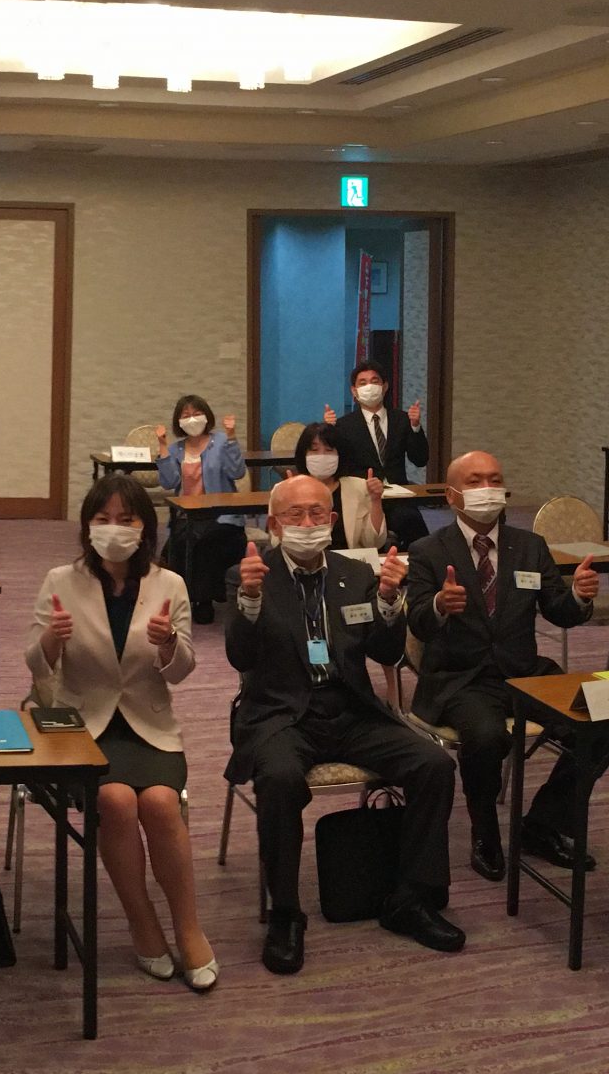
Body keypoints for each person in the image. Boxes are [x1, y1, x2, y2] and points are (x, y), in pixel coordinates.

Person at [226, 474, 461, 973]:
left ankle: (411, 898)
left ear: (332, 520)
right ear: (274, 524)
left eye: (317, 513)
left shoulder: (354, 574)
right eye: (295, 514)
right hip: (280, 714)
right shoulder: (251, 574)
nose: (308, 522)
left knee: (434, 764)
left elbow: (387, 652)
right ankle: (286, 913)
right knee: (279, 779)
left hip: (350, 709)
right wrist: (249, 600)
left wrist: (388, 603)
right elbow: (239, 657)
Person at [26, 475, 214, 990]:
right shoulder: (60, 580)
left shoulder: (169, 584)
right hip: (81, 726)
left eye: (126, 519)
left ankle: (189, 927)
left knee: (160, 802)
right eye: (102, 518)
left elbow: (181, 671)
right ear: (87, 526)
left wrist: (168, 643)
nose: (114, 528)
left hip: (150, 725)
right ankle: (142, 921)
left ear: (144, 528)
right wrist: (52, 639)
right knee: (115, 799)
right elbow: (37, 668)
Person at [402, 450, 602, 882]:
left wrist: (579, 596)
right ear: (452, 495)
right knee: (487, 736)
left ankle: (543, 824)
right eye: (475, 481)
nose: (487, 489)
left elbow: (559, 610)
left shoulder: (530, 546)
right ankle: (485, 832)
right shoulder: (427, 551)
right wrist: (438, 605)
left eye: (495, 479)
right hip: (461, 677)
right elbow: (417, 622)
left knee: (601, 720)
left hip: (524, 670)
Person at [155, 393, 247, 625]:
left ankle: (203, 600)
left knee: (204, 541)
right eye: (186, 415)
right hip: (188, 516)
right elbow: (168, 482)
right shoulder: (176, 449)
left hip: (221, 516)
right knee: (177, 543)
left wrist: (232, 436)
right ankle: (184, 598)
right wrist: (163, 447)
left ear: (207, 416)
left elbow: (237, 472)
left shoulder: (221, 442)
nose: (192, 419)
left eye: (197, 413)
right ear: (179, 421)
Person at [324, 363, 431, 543]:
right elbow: (334, 465)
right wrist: (329, 431)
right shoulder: (343, 425)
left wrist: (415, 427)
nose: (369, 386)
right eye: (363, 383)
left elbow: (420, 459)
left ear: (385, 386)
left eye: (374, 381)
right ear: (354, 391)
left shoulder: (402, 419)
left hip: (397, 496)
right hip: (362, 497)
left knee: (413, 525)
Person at [292, 420, 387, 551]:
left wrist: (376, 500)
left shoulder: (358, 487)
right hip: (305, 559)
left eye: (329, 450)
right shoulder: (290, 490)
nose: (322, 456)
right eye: (314, 450)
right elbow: (277, 541)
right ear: (303, 455)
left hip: (348, 560)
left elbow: (374, 542)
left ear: (340, 455)